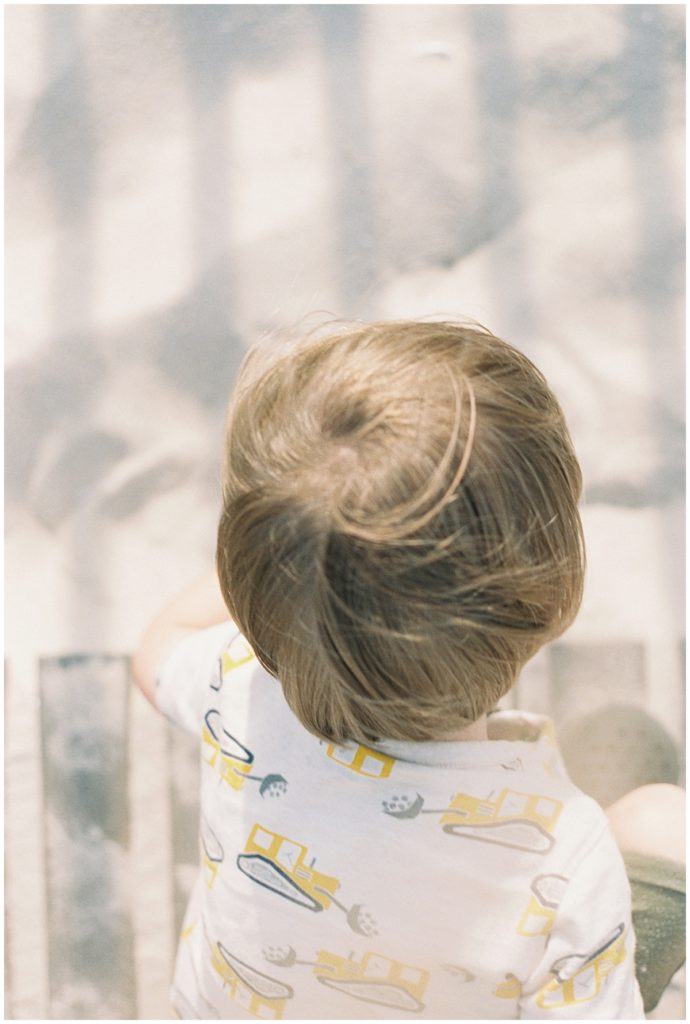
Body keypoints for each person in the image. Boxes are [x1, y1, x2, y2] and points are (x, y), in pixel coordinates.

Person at [133, 320, 645, 1018]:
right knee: (660, 818)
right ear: (548, 587)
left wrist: (301, 552)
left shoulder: (236, 689)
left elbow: (156, 647)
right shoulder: (565, 860)